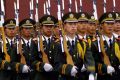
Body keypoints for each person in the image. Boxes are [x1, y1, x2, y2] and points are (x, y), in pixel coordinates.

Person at [54, 12, 95, 80]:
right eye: (70, 24)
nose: (73, 26)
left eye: (75, 24)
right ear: (64, 26)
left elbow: (90, 62)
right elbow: (56, 65)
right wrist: (68, 69)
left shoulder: (83, 43)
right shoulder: (58, 43)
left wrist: (91, 74)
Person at [91, 12, 120, 80]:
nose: (110, 26)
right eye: (107, 24)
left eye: (112, 24)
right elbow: (91, 63)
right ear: (101, 25)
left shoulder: (118, 41)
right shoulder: (95, 43)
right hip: (104, 77)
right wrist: (104, 68)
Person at [33, 15, 59, 80]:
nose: (49, 28)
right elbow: (32, 60)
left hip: (56, 76)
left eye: (51, 26)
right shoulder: (36, 42)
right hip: (41, 76)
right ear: (41, 27)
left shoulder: (58, 41)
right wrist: (42, 65)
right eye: (46, 26)